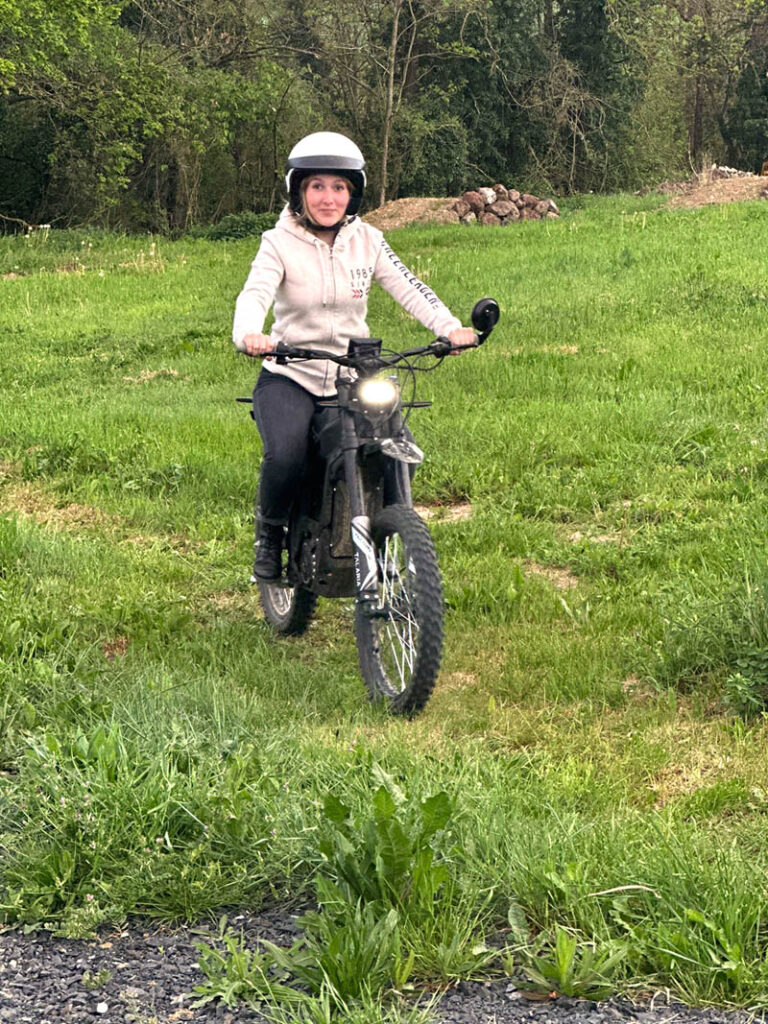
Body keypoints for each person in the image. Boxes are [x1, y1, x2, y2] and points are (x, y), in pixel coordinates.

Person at [232, 131, 476, 581]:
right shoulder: (277, 243)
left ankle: (390, 535)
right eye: (318, 186)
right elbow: (255, 294)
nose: (329, 198)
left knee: (394, 450)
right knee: (285, 456)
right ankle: (269, 535)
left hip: (354, 375)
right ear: (299, 190)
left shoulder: (369, 241)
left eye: (339, 187)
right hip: (291, 374)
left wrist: (450, 327)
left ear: (353, 192)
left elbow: (409, 287)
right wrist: (249, 332)